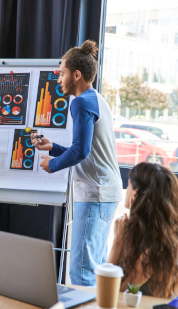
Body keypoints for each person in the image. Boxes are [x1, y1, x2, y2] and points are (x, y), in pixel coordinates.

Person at [32, 40, 122, 286]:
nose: (58, 79)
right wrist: (53, 147)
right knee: (94, 269)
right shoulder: (95, 99)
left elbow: (81, 151)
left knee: (82, 273)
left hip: (95, 194)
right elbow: (86, 150)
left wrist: (53, 164)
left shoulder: (80, 102)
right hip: (105, 192)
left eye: (61, 73)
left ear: (77, 74)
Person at [108, 162, 178, 298]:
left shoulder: (155, 246)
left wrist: (117, 242)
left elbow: (110, 292)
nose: (126, 189)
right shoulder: (152, 232)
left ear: (135, 193)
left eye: (128, 185)